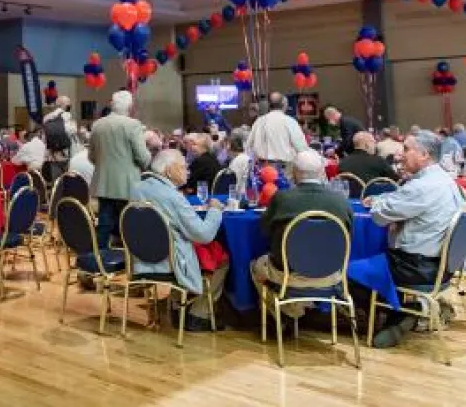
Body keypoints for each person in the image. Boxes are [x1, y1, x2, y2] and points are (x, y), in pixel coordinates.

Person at [366, 131, 466, 348]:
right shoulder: (443, 180)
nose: (400, 155)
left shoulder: (422, 187)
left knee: (356, 265)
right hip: (444, 266)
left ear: (424, 155)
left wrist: (376, 202)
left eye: (406, 149)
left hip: (415, 268)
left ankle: (398, 313)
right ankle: (405, 312)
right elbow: (400, 202)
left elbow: (379, 216)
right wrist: (383, 200)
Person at [132, 149, 227, 331]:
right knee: (221, 258)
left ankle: (177, 306)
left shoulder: (137, 188)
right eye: (183, 167)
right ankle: (198, 314)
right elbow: (204, 235)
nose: (188, 171)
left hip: (141, 258)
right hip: (170, 261)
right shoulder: (173, 197)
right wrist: (214, 210)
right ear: (169, 171)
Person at [252, 150, 354, 317]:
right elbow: (349, 238)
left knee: (256, 265)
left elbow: (265, 231)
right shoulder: (341, 201)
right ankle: (297, 309)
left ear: (294, 172)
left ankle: (287, 313)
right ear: (321, 172)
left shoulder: (282, 199)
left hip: (289, 275)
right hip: (331, 274)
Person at [89, 90, 151, 248]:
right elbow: (143, 157)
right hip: (127, 183)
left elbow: (91, 157)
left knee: (104, 222)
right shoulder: (133, 125)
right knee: (128, 222)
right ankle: (130, 257)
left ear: (112, 105)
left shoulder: (97, 124)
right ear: (130, 107)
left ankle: (100, 256)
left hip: (103, 181)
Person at [247, 92, 309, 166]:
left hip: (263, 168)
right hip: (284, 167)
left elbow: (248, 146)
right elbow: (301, 148)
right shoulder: (290, 121)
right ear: (284, 105)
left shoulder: (259, 121)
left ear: (269, 105)